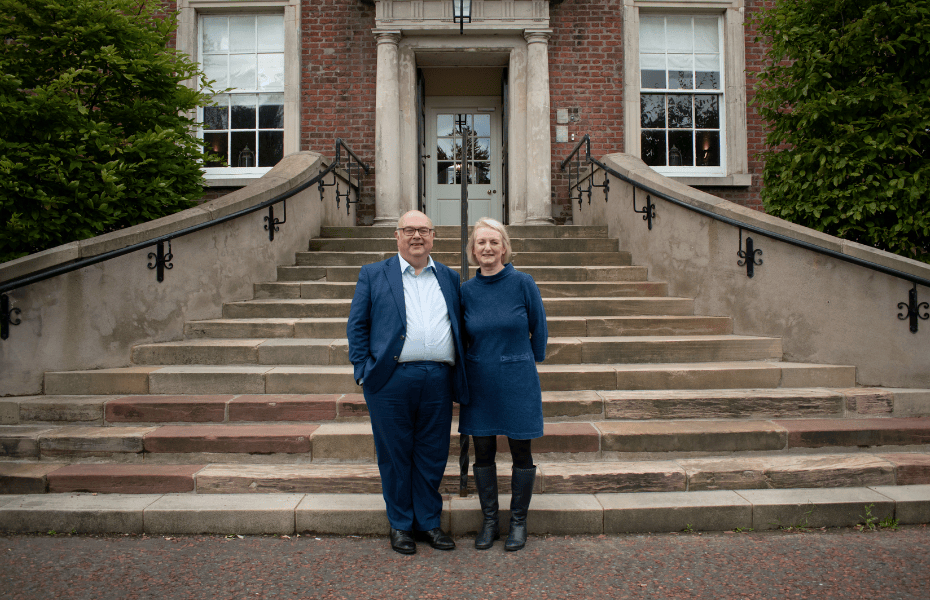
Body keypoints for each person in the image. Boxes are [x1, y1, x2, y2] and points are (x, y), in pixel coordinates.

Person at [346, 210, 469, 555]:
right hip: (389, 379)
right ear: (397, 236)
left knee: (432, 454)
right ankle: (400, 525)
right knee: (395, 454)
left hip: (437, 379)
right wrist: (362, 369)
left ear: (433, 236)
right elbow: (357, 325)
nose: (417, 236)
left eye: (424, 230)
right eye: (410, 230)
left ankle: (428, 522)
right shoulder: (374, 274)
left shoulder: (448, 276)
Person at [458, 217, 547, 552]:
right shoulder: (465, 290)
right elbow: (460, 336)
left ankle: (519, 522)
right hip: (480, 381)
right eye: (481, 242)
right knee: (483, 452)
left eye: (494, 242)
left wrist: (526, 362)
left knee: (521, 450)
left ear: (505, 247)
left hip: (517, 380)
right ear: (472, 250)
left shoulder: (523, 283)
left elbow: (539, 328)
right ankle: (491, 521)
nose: (488, 248)